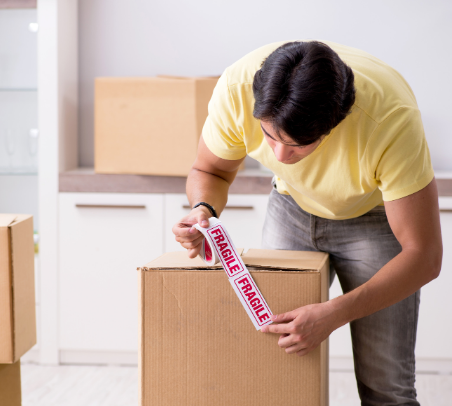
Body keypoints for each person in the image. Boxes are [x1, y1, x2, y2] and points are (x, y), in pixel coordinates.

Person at [172, 40, 442, 405]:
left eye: (298, 144)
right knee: (278, 370)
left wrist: (333, 314)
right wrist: (204, 208)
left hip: (376, 217)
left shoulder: (389, 119)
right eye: (269, 135)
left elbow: (425, 256)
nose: (280, 155)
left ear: (334, 123)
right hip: (290, 207)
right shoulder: (236, 90)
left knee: (386, 385)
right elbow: (210, 170)